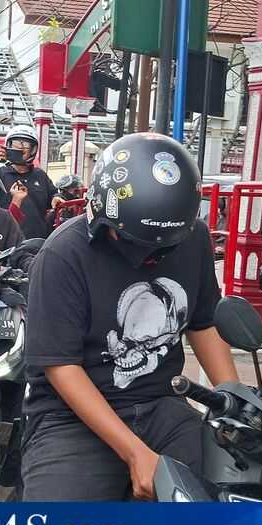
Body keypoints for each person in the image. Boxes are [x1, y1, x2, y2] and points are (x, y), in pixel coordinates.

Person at [21, 133, 240, 501]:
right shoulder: (63, 255)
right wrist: (136, 453)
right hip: (71, 418)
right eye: (137, 242)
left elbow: (204, 323)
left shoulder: (193, 239)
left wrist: (235, 401)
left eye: (164, 248)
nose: (150, 256)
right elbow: (62, 366)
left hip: (161, 405)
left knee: (228, 498)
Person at [0, 125, 60, 240]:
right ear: (8, 146)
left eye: (25, 145)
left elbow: (54, 194)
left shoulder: (40, 175)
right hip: (7, 239)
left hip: (37, 240)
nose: (20, 148)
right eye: (16, 143)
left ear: (33, 149)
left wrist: (56, 198)